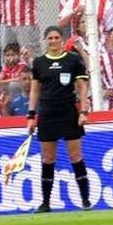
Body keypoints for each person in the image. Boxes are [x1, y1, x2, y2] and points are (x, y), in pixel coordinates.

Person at [26, 25, 93, 213]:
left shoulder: (73, 61)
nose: (53, 41)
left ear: (62, 40)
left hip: (68, 113)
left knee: (75, 156)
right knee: (48, 159)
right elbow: (34, 90)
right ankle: (45, 203)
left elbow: (82, 87)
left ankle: (85, 200)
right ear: (45, 41)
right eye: (50, 38)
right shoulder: (39, 63)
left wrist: (84, 111)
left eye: (56, 37)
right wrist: (31, 116)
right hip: (47, 114)